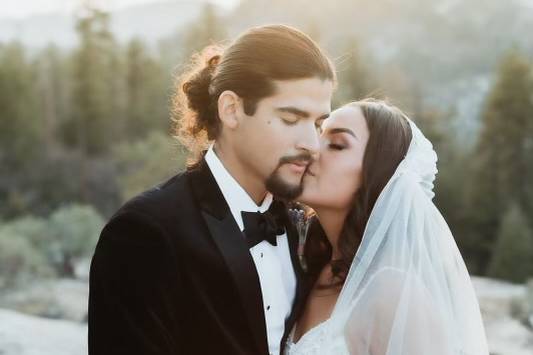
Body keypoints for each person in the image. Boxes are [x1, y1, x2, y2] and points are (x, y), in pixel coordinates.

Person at [88, 24, 336, 355]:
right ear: (231, 110)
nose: (311, 144)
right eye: (291, 118)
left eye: (318, 124)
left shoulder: (305, 228)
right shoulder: (146, 232)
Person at [285, 99, 489, 354]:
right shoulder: (310, 265)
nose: (313, 149)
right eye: (318, 133)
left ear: (380, 176)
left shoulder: (394, 293)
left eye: (337, 145)